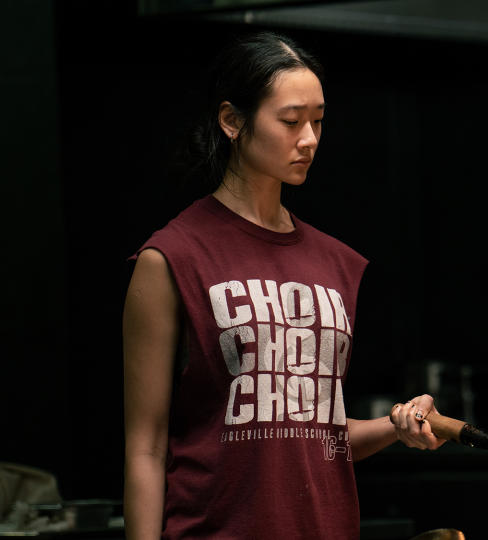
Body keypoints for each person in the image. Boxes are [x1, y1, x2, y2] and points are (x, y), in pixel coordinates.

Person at [122, 31, 443, 539]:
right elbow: (146, 446)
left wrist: (397, 426)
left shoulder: (336, 263)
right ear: (232, 121)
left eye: (318, 121)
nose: (310, 138)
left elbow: (310, 432)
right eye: (291, 121)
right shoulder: (173, 257)